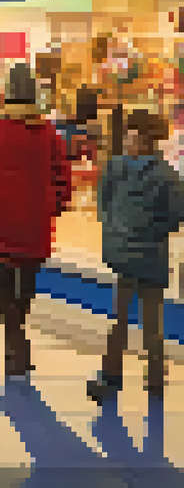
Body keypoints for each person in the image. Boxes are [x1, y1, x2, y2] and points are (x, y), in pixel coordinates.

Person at [0, 63, 72, 380]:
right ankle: (18, 337)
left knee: (0, 278)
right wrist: (53, 205)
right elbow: (62, 174)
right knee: (26, 280)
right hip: (35, 220)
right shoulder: (49, 134)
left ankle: (13, 337)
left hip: (3, 218)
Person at [88, 109, 183, 403]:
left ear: (142, 138)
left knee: (119, 319)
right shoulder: (167, 174)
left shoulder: (115, 168)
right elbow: (176, 215)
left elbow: (103, 202)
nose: (127, 138)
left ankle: (110, 375)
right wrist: (153, 232)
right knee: (152, 323)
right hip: (151, 257)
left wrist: (115, 230)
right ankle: (155, 380)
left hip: (124, 255)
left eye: (130, 133)